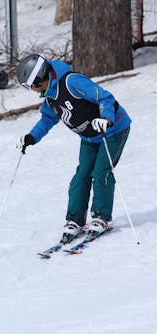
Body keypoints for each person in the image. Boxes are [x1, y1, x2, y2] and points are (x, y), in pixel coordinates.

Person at [16, 54, 132, 243]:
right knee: (81, 175)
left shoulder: (72, 82)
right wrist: (32, 137)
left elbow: (104, 97)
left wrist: (107, 118)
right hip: (89, 137)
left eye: (31, 86)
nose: (32, 90)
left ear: (39, 80)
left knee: (101, 172)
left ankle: (101, 217)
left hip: (112, 131)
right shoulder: (51, 97)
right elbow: (47, 119)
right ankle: (75, 220)